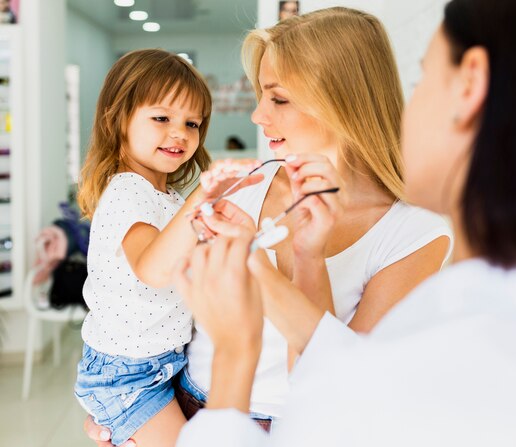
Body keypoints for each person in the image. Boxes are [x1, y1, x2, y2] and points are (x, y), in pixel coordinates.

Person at [175, 0, 516, 445]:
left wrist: (237, 356)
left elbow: (339, 404)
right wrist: (291, 259)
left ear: (470, 85)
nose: (402, 108)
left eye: (422, 79)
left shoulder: (435, 344)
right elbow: (340, 370)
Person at [84, 7, 451, 446]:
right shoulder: (242, 185)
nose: (257, 116)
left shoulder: (414, 233)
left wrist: (285, 261)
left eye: (277, 98)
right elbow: (149, 300)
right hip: (184, 406)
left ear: (341, 99)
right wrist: (124, 412)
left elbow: (336, 385)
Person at [75, 49, 239, 447]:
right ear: (119, 118)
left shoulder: (163, 197)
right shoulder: (127, 189)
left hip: (161, 364)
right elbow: (152, 268)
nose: (180, 133)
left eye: (192, 123)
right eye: (162, 118)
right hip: (127, 375)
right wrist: (203, 197)